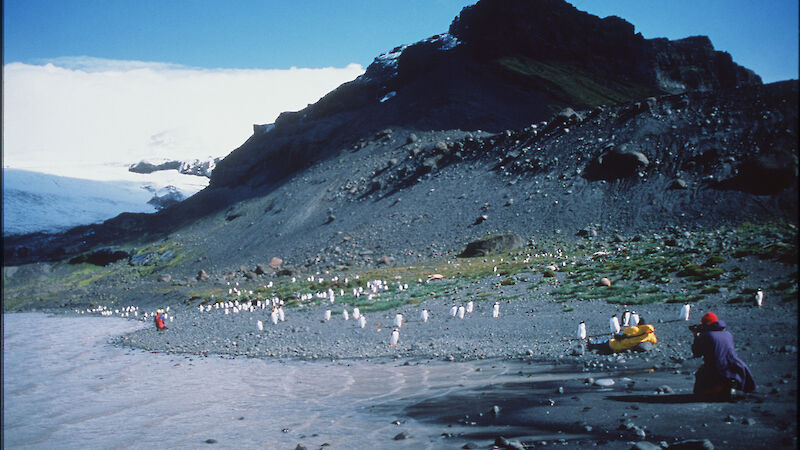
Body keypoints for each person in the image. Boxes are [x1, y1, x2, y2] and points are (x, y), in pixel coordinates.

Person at [691, 311, 755, 401]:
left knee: (699, 389)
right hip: (736, 366)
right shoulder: (728, 334)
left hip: (717, 368)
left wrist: (696, 337)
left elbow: (697, 353)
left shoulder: (707, 336)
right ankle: (732, 388)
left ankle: (722, 391)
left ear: (706, 324)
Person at [588, 317, 657, 354]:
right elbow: (654, 341)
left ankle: (592, 345)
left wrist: (618, 335)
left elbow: (620, 336)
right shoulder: (650, 334)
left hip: (620, 345)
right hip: (629, 347)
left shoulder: (634, 329)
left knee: (606, 343)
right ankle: (597, 348)